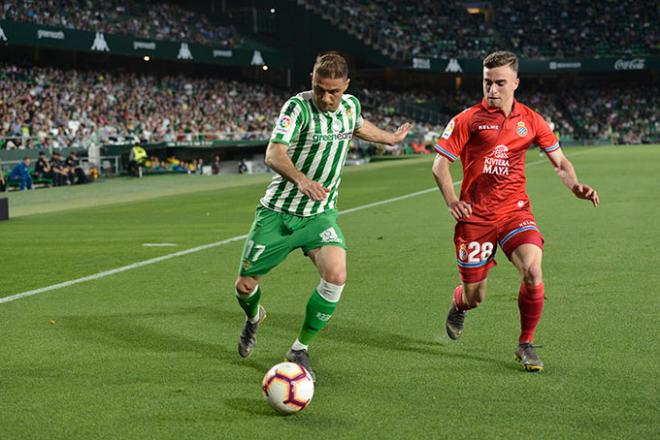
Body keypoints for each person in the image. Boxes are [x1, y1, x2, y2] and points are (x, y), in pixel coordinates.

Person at [234, 52, 411, 380]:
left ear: (346, 85)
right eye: (319, 89)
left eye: (334, 91)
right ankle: (254, 318)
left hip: (319, 215)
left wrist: (392, 138)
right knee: (245, 286)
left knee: (337, 275)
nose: (326, 98)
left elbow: (359, 127)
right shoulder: (297, 108)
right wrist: (301, 180)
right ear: (312, 82)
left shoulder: (351, 106)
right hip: (279, 213)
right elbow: (273, 153)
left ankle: (299, 348)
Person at [432, 51, 599, 372]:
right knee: (475, 297)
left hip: (514, 211)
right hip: (475, 219)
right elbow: (440, 164)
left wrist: (575, 185)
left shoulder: (532, 121)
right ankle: (459, 303)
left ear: (516, 83)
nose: (492, 90)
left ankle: (525, 343)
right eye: (487, 83)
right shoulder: (467, 119)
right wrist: (452, 200)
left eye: (500, 83)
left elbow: (560, 162)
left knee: (534, 271)